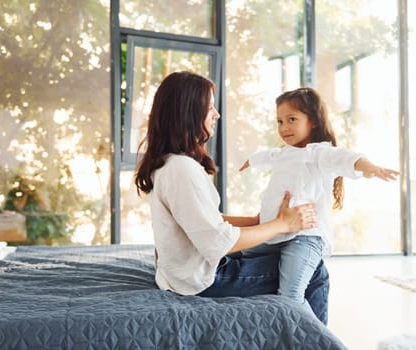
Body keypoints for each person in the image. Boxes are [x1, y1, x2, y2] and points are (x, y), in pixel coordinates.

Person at [134, 71, 330, 324]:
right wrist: (282, 224)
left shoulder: (172, 164)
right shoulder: (181, 169)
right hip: (199, 281)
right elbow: (218, 242)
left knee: (284, 250)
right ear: (188, 112)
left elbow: (207, 221)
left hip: (180, 272)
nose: (217, 114)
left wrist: (258, 221)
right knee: (315, 272)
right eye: (210, 107)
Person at [239, 87, 399, 315]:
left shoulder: (318, 153)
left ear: (312, 120)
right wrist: (250, 161)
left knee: (290, 295)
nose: (284, 127)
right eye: (280, 121)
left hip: (305, 238)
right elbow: (266, 156)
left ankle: (305, 338)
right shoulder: (284, 153)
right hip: (273, 233)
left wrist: (370, 167)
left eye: (291, 119)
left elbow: (346, 158)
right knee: (236, 253)